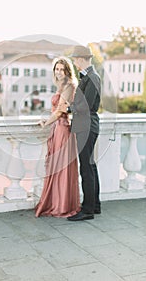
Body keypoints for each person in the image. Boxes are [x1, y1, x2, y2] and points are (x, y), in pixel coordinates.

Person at [59, 45, 101, 221]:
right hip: (86, 126)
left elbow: (87, 105)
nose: (75, 63)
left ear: (82, 59)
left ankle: (87, 210)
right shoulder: (90, 77)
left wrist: (69, 108)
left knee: (86, 168)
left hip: (86, 126)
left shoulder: (92, 78)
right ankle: (95, 205)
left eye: (76, 60)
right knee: (90, 166)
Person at [35, 56, 81, 218]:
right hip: (58, 128)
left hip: (63, 129)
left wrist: (46, 123)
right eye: (57, 69)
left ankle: (62, 206)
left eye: (62, 69)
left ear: (68, 71)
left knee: (62, 168)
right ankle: (56, 202)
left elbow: (61, 111)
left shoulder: (69, 86)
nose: (59, 72)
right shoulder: (61, 86)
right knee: (57, 167)